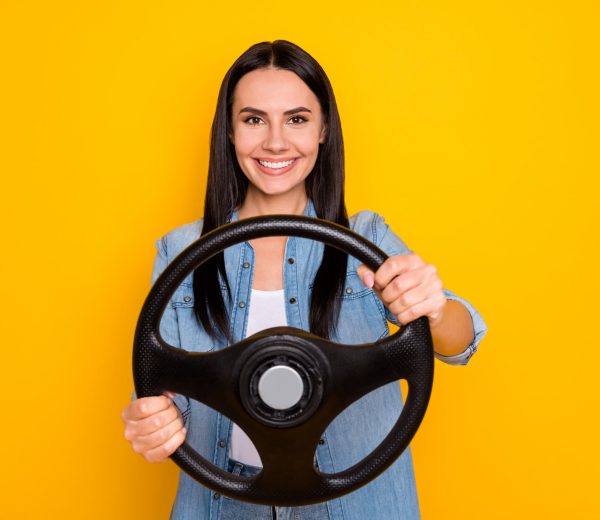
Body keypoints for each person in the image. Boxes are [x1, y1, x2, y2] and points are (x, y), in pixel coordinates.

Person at [121, 40, 487, 520]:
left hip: (359, 505)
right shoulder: (179, 250)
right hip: (221, 505)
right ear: (229, 133)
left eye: (296, 119)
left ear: (322, 132)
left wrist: (432, 306)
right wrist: (153, 423)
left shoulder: (368, 238)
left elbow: (460, 341)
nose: (275, 142)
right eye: (254, 120)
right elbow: (162, 389)